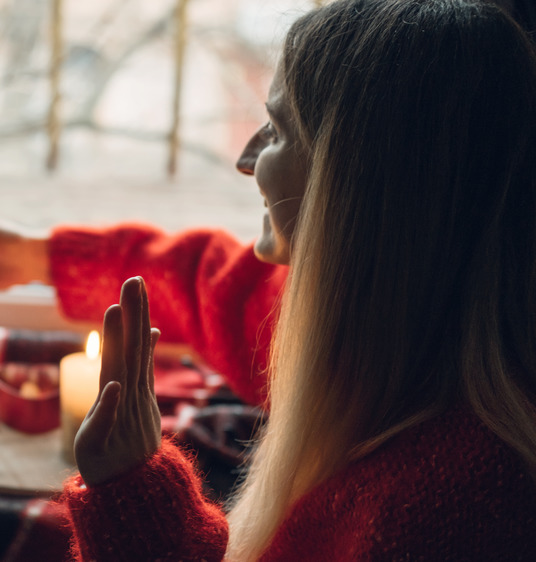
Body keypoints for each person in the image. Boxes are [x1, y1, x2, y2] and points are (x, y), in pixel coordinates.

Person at [57, 0, 536, 559]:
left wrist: (134, 502)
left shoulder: (448, 510)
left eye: (278, 130)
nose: (245, 159)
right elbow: (218, 291)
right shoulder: (390, 352)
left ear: (361, 186)